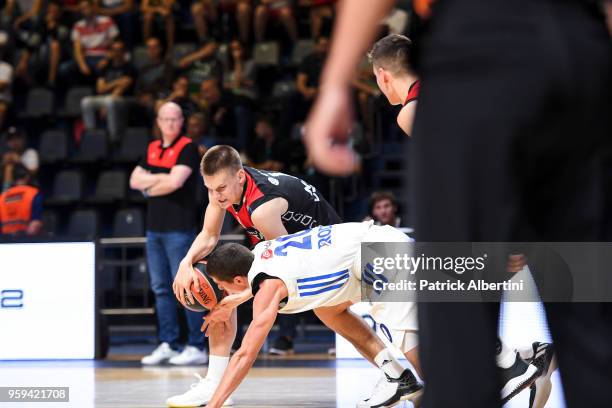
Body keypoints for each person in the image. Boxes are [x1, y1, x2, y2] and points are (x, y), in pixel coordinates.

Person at [304, 1, 612, 407]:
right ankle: (528, 362)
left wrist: (336, 83)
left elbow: (478, 189)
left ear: (381, 76)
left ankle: (515, 366)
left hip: (477, 48)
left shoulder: (413, 108)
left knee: (455, 312)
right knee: (590, 307)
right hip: (582, 51)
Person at [166, 144, 341, 407]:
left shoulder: (263, 207)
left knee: (355, 313)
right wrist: (186, 263)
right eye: (209, 189)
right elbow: (209, 235)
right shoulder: (229, 187)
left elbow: (285, 266)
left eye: (221, 189)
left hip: (331, 255)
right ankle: (214, 384)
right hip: (294, 250)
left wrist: (239, 299)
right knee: (221, 284)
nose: (216, 196)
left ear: (238, 176)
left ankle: (395, 370)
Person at [199, 222, 424, 408]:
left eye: (222, 286)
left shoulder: (269, 287)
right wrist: (231, 303)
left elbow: (245, 355)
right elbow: (256, 283)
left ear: (237, 280)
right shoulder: (259, 252)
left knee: (406, 337)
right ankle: (397, 376)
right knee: (327, 309)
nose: (223, 291)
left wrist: (213, 405)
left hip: (378, 252)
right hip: (365, 250)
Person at [129, 102, 208, 366]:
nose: (170, 123)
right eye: (165, 119)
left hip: (179, 229)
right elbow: (133, 180)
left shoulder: (187, 147)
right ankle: (169, 343)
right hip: (155, 230)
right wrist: (160, 182)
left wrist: (149, 185)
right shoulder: (151, 148)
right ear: (158, 121)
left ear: (181, 120)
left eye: (175, 119)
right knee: (161, 289)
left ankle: (196, 346)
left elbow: (176, 182)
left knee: (187, 288)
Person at [81, 39, 135, 141]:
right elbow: (100, 89)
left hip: (123, 99)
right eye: (114, 50)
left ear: (124, 52)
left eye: (119, 50)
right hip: (105, 98)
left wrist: (109, 87)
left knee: (110, 101)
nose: (117, 53)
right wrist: (117, 82)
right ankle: (92, 135)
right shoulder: (106, 67)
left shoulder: (129, 68)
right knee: (86, 102)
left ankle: (113, 138)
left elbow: (122, 88)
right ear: (111, 52)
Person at [58, 0, 119, 86]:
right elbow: (77, 49)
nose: (85, 11)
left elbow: (115, 45)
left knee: (103, 69)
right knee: (63, 69)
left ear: (93, 7)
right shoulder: (78, 26)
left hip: (103, 56)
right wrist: (82, 64)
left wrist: (107, 59)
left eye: (87, 7)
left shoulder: (107, 21)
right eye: (83, 9)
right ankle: (78, 90)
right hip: (87, 57)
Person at [0, 163, 42, 236]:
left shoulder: (2, 197)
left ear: (13, 178)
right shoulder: (34, 194)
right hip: (25, 240)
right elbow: (35, 224)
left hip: (4, 242)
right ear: (27, 177)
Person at [2, 127, 39, 191]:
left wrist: (20, 161)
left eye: (17, 138)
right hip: (14, 191)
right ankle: (6, 194)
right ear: (8, 142)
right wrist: (3, 165)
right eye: (11, 139)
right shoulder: (7, 157)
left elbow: (33, 172)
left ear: (23, 139)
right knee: (9, 167)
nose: (15, 141)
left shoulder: (30, 153)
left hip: (29, 189)